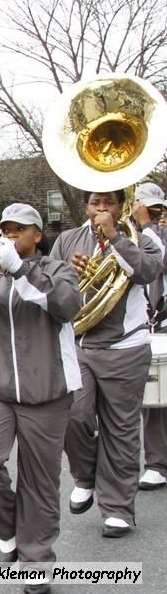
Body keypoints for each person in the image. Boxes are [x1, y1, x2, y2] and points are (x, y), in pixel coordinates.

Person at [0, 203, 83, 594]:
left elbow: (66, 306)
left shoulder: (57, 269)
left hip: (48, 393)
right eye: (6, 230)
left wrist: (18, 269)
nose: (11, 236)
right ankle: (9, 530)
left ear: (37, 236)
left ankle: (36, 562)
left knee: (40, 481)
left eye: (20, 230)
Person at [52, 189, 163, 537]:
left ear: (121, 206)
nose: (102, 209)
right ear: (86, 206)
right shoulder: (69, 239)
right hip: (79, 343)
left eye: (109, 203)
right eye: (96, 203)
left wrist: (115, 237)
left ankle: (118, 509)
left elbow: (148, 271)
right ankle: (85, 475)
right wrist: (70, 274)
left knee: (121, 429)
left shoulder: (142, 236)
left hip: (125, 347)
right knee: (74, 414)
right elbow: (49, 281)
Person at [130, 183, 167, 490]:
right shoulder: (129, 236)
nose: (154, 215)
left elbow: (159, 261)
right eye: (149, 209)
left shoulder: (153, 234)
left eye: (158, 210)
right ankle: (156, 462)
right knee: (154, 398)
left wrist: (148, 226)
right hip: (149, 324)